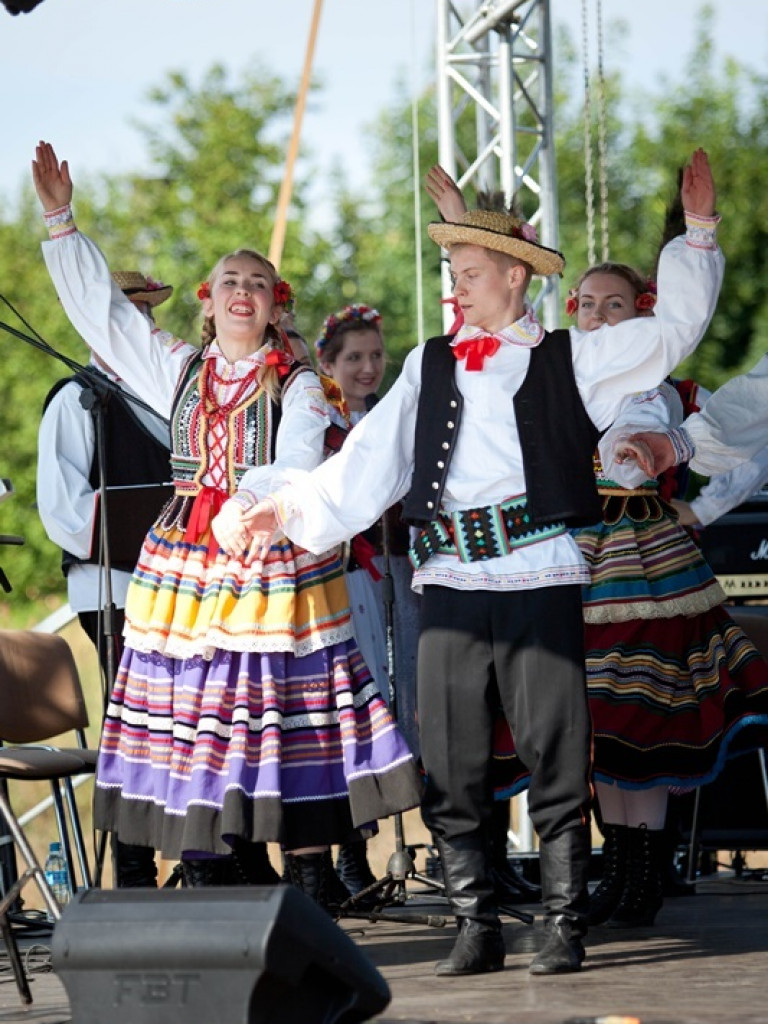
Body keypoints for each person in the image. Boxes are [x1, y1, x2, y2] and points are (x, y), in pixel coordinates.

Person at [211, 148, 724, 976]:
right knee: (451, 759)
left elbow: (671, 334)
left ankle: (562, 921)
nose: (457, 286)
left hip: (538, 571)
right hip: (449, 576)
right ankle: (474, 923)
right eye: (454, 272)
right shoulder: (430, 362)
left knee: (556, 751)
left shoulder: (574, 358)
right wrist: (287, 507)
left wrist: (696, 237)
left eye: (471, 272)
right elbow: (369, 462)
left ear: (517, 276)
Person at [32, 140, 421, 902]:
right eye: (230, 282)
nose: (244, 291)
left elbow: (299, 460)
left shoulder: (299, 385)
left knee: (286, 709)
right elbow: (107, 321)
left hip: (268, 558)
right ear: (208, 301)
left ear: (276, 306)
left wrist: (254, 506)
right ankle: (210, 875)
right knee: (193, 712)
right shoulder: (178, 367)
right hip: (183, 567)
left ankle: (308, 883)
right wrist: (61, 223)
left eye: (258, 283)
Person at [558, 260, 768, 929]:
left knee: (640, 712)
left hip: (643, 560)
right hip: (574, 552)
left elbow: (747, 449)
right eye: (588, 303)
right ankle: (620, 866)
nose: (598, 315)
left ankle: (645, 873)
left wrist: (700, 509)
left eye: (614, 305)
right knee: (595, 717)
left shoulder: (659, 389)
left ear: (644, 315)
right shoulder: (556, 379)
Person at [37, 269, 172, 890]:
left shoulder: (169, 391)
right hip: (112, 587)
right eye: (125, 315)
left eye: (143, 315)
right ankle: (136, 870)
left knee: (185, 720)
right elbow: (61, 506)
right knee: (134, 725)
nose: (139, 327)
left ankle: (205, 861)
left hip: (175, 587)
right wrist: (127, 522)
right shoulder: (77, 399)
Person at [313, 301, 422, 899]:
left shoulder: (392, 418)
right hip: (343, 576)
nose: (368, 367)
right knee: (347, 708)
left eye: (376, 356)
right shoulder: (317, 423)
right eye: (354, 357)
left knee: (398, 699)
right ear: (328, 364)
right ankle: (348, 854)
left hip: (393, 572)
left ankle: (387, 844)